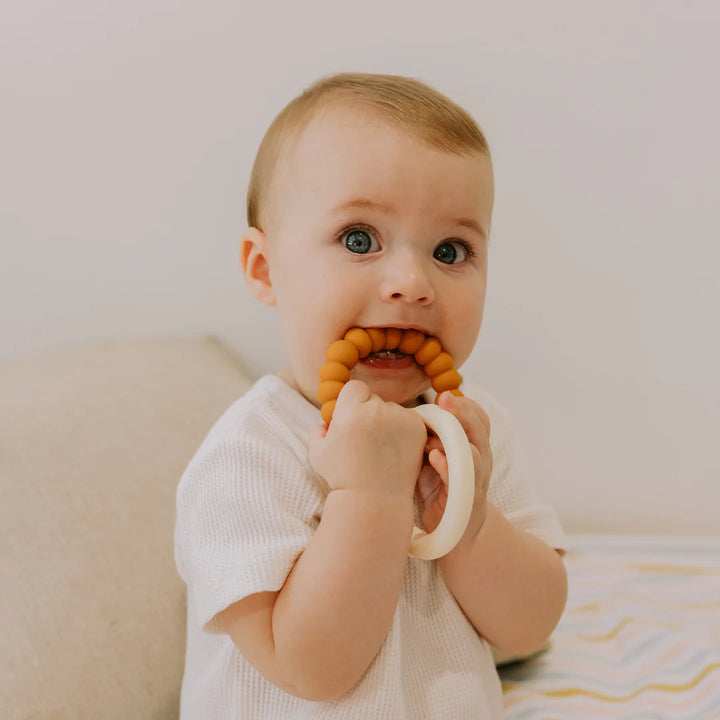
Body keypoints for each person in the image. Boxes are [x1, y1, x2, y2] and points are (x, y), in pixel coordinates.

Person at [175, 72, 568, 719]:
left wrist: (468, 523)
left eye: (451, 249)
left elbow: (531, 627)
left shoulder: (471, 432)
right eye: (359, 239)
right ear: (264, 269)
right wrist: (371, 497)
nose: (412, 283)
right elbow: (309, 667)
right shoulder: (248, 454)